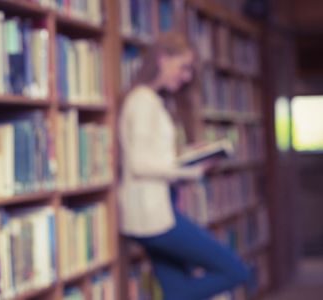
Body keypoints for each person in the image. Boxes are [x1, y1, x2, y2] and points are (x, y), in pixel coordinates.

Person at [118, 32, 251, 300]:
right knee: (236, 270)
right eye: (184, 67)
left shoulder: (150, 101)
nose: (187, 76)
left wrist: (190, 156)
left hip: (155, 210)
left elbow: (151, 155)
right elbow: (139, 163)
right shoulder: (143, 101)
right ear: (162, 59)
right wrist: (190, 170)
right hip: (152, 217)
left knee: (177, 289)